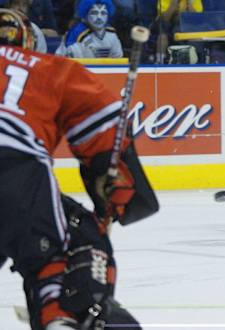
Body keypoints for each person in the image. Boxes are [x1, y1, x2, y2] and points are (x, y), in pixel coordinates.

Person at [0, 8, 158, 330]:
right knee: (62, 253)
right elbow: (105, 125)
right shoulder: (47, 68)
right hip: (15, 169)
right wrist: (115, 185)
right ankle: (60, 317)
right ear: (29, 42)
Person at [55, 0, 123, 58]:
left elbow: (118, 58)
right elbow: (65, 59)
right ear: (85, 15)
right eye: (94, 13)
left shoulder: (111, 33)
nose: (99, 17)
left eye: (103, 13)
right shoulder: (76, 33)